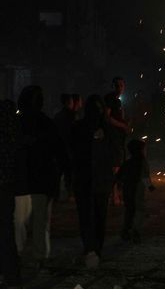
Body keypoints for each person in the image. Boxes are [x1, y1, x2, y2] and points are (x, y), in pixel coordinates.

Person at [15, 85, 67, 268]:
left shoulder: (17, 123)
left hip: (23, 181)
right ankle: (39, 255)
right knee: (39, 222)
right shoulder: (45, 123)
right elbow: (59, 152)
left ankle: (18, 253)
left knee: (19, 222)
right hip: (39, 180)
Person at [71, 95, 114, 269]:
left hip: (87, 180)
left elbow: (73, 153)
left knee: (88, 217)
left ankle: (91, 250)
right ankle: (94, 250)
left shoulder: (80, 128)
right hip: (98, 181)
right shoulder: (106, 129)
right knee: (98, 217)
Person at [0, 100, 23, 289]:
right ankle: (12, 283)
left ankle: (13, 284)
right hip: (6, 185)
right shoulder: (12, 126)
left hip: (4, 185)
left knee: (5, 237)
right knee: (5, 236)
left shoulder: (7, 124)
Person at [117, 139, 155, 243]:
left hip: (127, 189)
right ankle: (135, 231)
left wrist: (119, 185)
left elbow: (119, 175)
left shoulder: (128, 162)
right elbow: (145, 176)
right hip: (137, 190)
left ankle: (126, 230)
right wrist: (150, 186)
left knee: (129, 210)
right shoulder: (142, 162)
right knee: (139, 210)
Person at [105, 77, 130, 206]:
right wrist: (122, 126)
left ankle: (116, 194)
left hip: (119, 138)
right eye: (117, 85)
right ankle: (114, 195)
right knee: (115, 166)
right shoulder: (110, 99)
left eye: (122, 85)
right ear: (113, 86)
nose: (120, 88)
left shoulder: (117, 101)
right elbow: (107, 118)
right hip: (113, 138)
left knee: (119, 165)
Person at [54, 93, 76, 199]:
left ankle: (56, 194)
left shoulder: (58, 116)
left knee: (59, 172)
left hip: (59, 146)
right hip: (69, 147)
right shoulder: (72, 115)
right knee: (69, 172)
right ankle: (69, 193)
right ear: (69, 102)